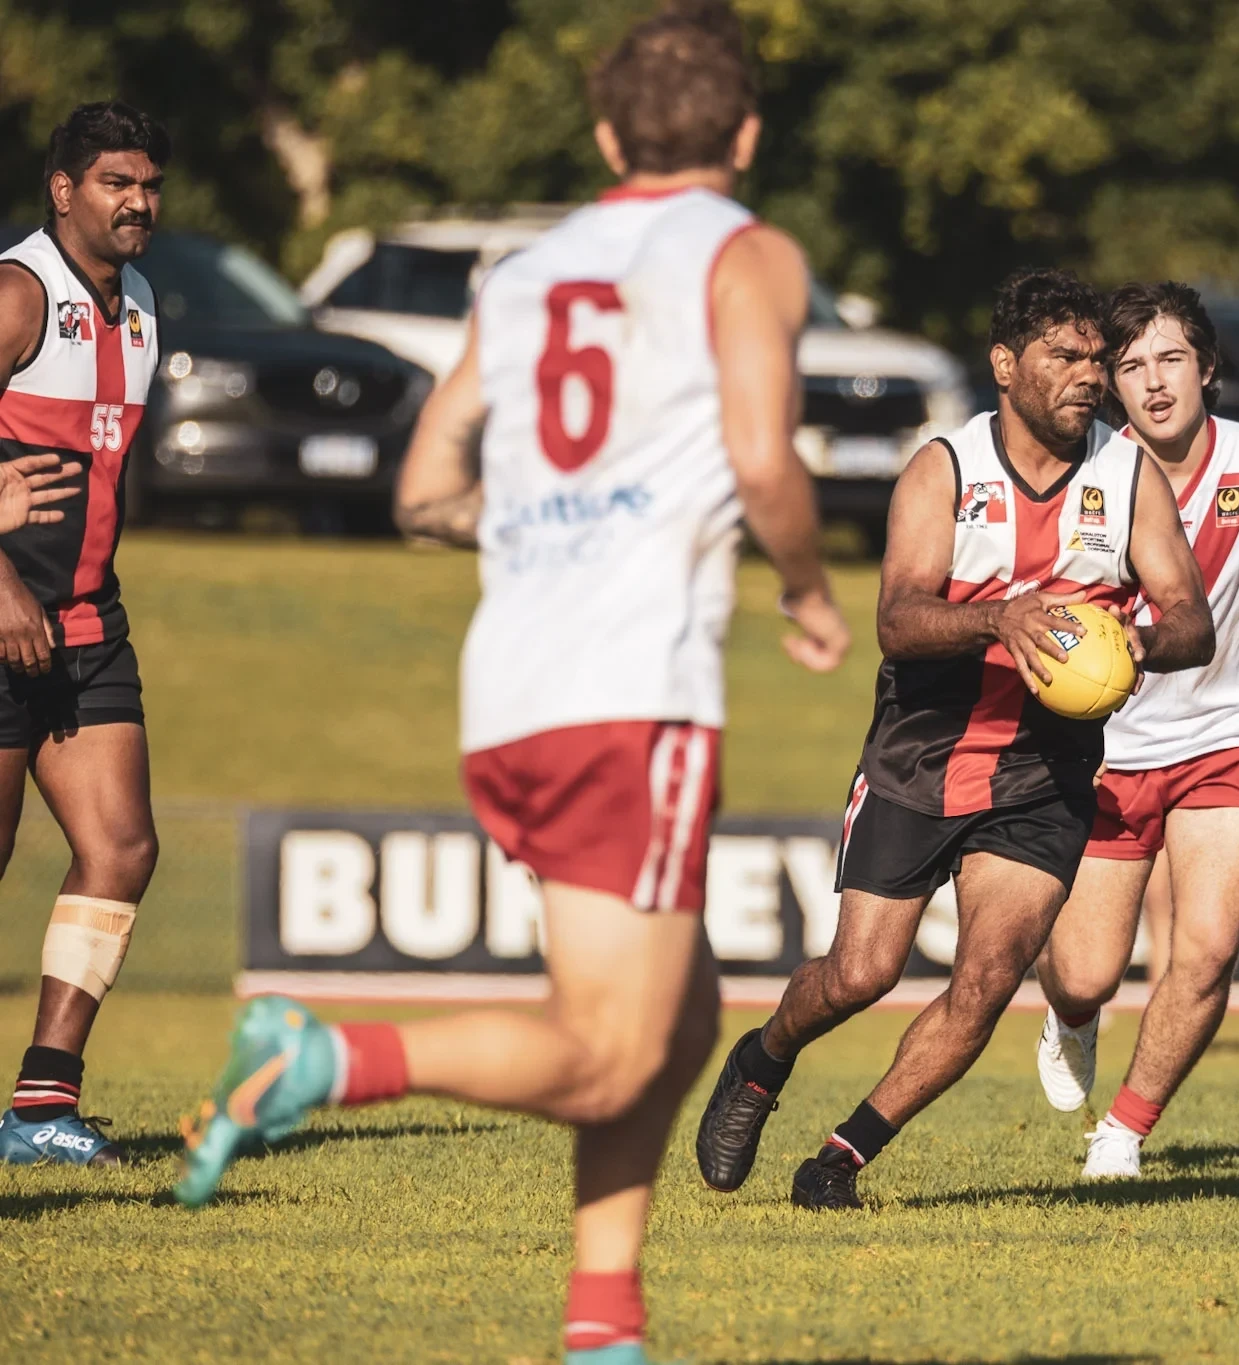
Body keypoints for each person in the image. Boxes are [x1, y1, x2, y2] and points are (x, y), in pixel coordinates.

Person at [174, 11, 850, 1362]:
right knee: (608, 1048)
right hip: (627, 693)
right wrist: (809, 587)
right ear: (749, 134)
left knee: (684, 1014)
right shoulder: (749, 250)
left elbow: (425, 489)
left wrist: (561, 520)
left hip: (513, 692)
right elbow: (766, 459)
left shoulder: (528, 270)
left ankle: (603, 1324)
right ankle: (319, 1061)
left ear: (605, 135)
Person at [692, 268, 1214, 1211]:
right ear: (1005, 365)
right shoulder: (947, 469)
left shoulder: (1127, 473)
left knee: (986, 978)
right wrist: (997, 620)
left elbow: (1193, 620)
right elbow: (896, 619)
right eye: (1064, 356)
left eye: (1099, 359)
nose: (1089, 377)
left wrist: (1130, 642)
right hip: (921, 752)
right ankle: (763, 1060)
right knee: (860, 973)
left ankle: (840, 1158)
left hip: (1045, 772)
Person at [1028, 282, 1239, 1177]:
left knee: (1210, 946)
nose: (1153, 382)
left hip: (1229, 735)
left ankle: (1124, 1132)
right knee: (1088, 970)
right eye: (1132, 366)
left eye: (1171, 359)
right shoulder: (1083, 473)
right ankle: (1069, 1015)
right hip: (1106, 751)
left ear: (1207, 369)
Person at [0, 103, 168, 1169]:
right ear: (63, 190)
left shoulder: (143, 301)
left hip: (90, 622)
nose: (137, 202)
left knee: (120, 849)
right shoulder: (17, 293)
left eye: (148, 184)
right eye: (115, 182)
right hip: (2, 615)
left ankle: (39, 1110)